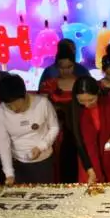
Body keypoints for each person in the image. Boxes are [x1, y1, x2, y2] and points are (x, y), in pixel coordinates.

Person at [0, 75, 59, 184]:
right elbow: (3, 143)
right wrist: (9, 173)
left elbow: (54, 127)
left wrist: (41, 147)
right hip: (19, 162)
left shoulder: (42, 103)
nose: (14, 109)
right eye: (9, 106)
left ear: (24, 95)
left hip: (43, 161)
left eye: (16, 104)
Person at [72, 76, 110, 184]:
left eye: (91, 100)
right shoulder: (75, 109)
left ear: (98, 92)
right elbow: (79, 142)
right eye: (81, 101)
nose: (87, 105)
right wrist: (89, 169)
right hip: (87, 161)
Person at [39, 45, 79, 183]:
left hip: (78, 128)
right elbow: (42, 108)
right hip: (57, 130)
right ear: (56, 67)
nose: (66, 70)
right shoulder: (49, 84)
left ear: (74, 65)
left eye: (69, 67)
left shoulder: (81, 83)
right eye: (62, 67)